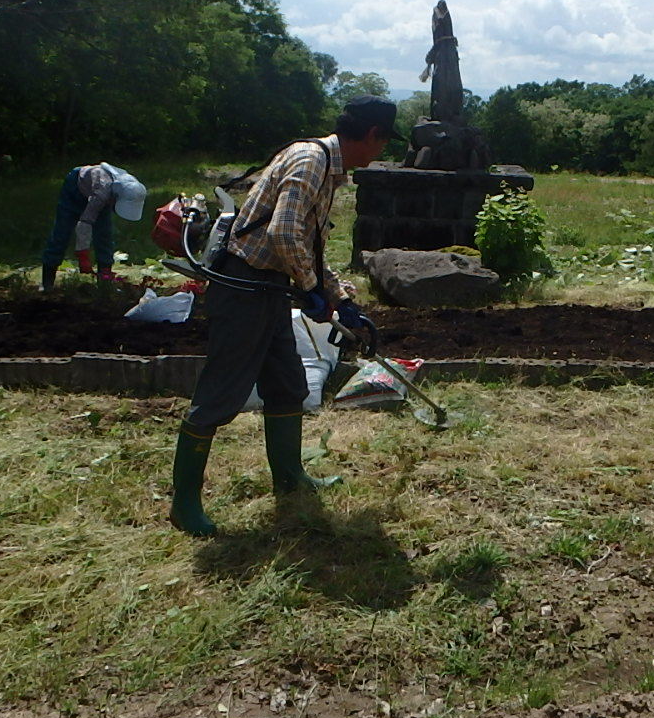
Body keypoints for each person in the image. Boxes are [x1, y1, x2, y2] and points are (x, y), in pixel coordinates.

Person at [168, 96, 399, 537]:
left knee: (287, 385)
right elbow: (282, 233)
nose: (380, 153)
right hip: (243, 286)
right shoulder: (311, 161)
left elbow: (306, 244)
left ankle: (290, 477)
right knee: (220, 394)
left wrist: (340, 298)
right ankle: (184, 505)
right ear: (373, 136)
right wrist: (311, 289)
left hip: (270, 286)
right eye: (383, 144)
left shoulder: (326, 167)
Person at [40, 162, 148, 289]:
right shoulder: (102, 194)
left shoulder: (132, 188)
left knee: (104, 234)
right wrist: (83, 254)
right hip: (75, 187)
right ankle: (47, 283)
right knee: (62, 232)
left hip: (98, 189)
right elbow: (85, 223)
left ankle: (104, 279)